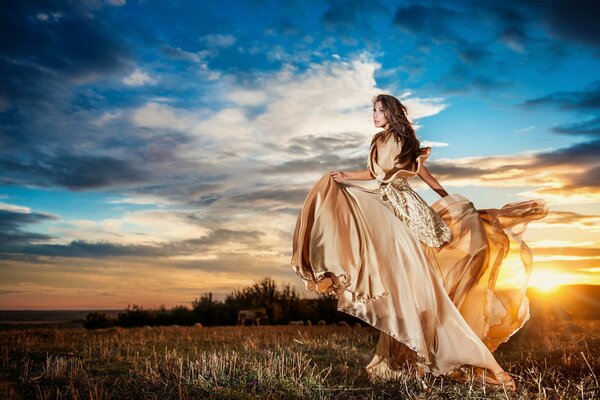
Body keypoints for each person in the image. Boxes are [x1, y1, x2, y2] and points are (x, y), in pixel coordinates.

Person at [290, 93, 549, 390]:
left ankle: (433, 352)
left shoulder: (406, 142)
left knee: (416, 279)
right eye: (372, 110)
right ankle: (408, 352)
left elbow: (423, 174)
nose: (374, 115)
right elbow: (375, 175)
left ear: (391, 113)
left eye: (378, 110)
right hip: (381, 201)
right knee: (335, 191)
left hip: (405, 210)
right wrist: (346, 175)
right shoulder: (377, 142)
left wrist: (447, 198)